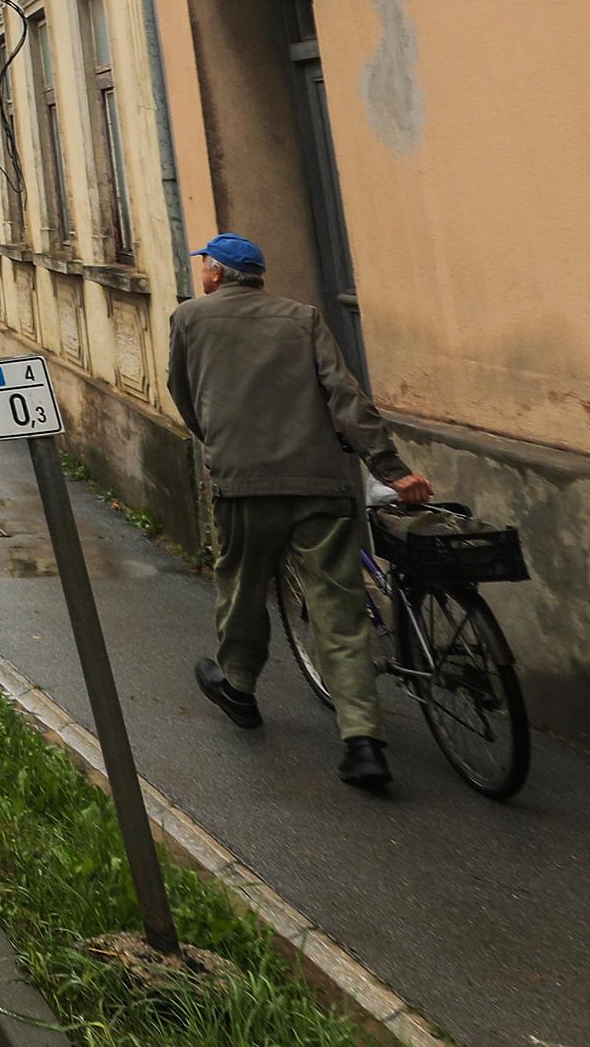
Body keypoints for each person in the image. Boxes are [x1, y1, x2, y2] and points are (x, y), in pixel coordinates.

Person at [165, 232, 432, 792]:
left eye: (205, 265)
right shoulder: (303, 317)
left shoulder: (190, 319)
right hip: (319, 482)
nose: (202, 273)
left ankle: (238, 687)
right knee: (340, 608)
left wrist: (219, 444)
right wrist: (391, 469)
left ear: (217, 273)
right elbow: (345, 396)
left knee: (242, 585)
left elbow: (183, 393)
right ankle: (363, 742)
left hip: (244, 483)